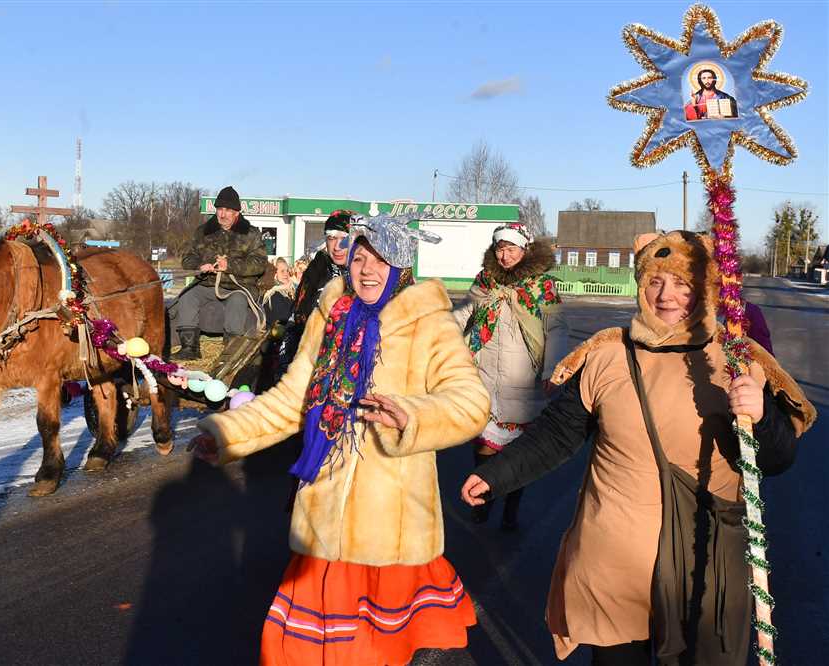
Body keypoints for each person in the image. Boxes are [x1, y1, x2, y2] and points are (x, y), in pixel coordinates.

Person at [461, 230, 816, 665]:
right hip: (613, 563)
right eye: (655, 281)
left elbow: (779, 459)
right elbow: (556, 434)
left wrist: (760, 417)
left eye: (683, 284)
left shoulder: (738, 359)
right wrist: (495, 474)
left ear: (705, 289)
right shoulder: (608, 356)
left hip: (701, 565)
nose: (667, 296)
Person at [191, 213, 490, 666]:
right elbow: (294, 397)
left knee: (375, 651)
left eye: (380, 259)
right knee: (300, 650)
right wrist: (226, 434)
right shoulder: (331, 314)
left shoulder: (429, 321)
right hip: (322, 514)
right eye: (360, 257)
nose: (367, 269)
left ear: (401, 266)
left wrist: (412, 415)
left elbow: (470, 401)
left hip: (390, 522)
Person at [453, 222, 568, 529]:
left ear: (524, 249)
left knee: (517, 455)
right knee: (483, 448)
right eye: (500, 248)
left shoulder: (541, 287)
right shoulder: (485, 281)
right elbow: (465, 312)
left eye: (511, 248)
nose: (504, 255)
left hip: (522, 381)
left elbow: (556, 328)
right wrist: (441, 329)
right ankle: (483, 502)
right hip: (484, 377)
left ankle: (510, 510)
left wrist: (552, 369)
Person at [171, 186, 268, 360]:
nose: (222, 214)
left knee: (237, 301)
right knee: (187, 296)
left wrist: (230, 265)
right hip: (206, 283)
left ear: (237, 213)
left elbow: (259, 263)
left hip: (238, 287)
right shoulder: (203, 232)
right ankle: (189, 347)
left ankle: (230, 352)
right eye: (220, 209)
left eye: (228, 210)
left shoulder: (251, 234)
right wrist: (200, 265)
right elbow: (187, 258)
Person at [277, 210, 352, 377]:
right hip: (312, 347)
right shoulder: (318, 267)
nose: (337, 246)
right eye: (331, 238)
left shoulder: (364, 270)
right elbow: (298, 313)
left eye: (344, 239)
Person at [261, 257, 295, 325]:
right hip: (278, 333)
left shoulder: (290, 291)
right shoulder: (273, 294)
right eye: (282, 271)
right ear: (274, 274)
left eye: (287, 271)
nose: (286, 274)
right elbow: (283, 319)